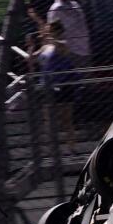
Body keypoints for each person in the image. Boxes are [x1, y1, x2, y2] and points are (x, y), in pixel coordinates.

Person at [35, 19, 78, 155]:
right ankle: (52, 149)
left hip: (63, 84)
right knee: (49, 118)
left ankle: (71, 147)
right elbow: (34, 58)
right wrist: (31, 49)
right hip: (48, 85)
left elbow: (63, 49)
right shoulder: (44, 46)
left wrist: (51, 39)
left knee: (66, 119)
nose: (47, 33)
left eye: (50, 30)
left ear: (57, 31)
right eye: (47, 30)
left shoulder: (62, 44)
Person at [46, 0, 91, 67]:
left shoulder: (75, 4)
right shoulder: (56, 9)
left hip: (85, 48)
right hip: (72, 53)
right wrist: (64, 49)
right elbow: (53, 34)